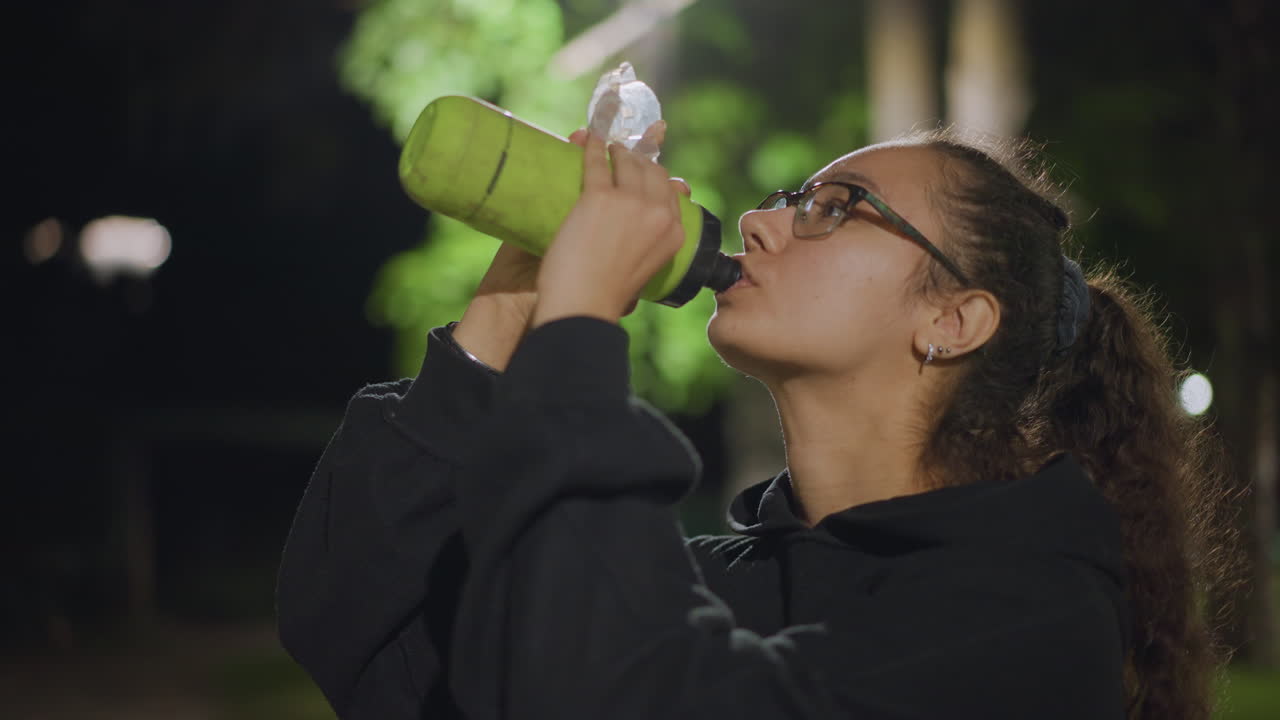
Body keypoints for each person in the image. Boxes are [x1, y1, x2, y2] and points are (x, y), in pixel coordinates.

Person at [277, 123, 1238, 720]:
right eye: (787, 198)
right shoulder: (713, 581)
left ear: (953, 320)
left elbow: (621, 695)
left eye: (836, 207)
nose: (758, 222)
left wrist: (581, 332)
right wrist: (507, 316)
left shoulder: (1026, 625)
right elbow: (367, 631)